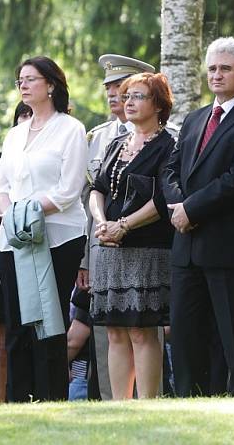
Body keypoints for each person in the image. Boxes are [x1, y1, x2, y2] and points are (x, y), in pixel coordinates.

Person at [164, 37, 234, 397]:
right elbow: (170, 168)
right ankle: (188, 407)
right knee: (185, 339)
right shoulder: (196, 118)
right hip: (187, 248)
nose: (216, 75)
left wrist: (191, 210)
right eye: (212, 68)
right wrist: (178, 206)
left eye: (225, 68)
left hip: (229, 248)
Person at [0, 56, 87, 402]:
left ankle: (51, 398)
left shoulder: (70, 129)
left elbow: (69, 189)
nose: (24, 85)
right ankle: (20, 401)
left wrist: (29, 210)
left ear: (51, 85)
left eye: (31, 79)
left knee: (49, 320)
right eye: (20, 81)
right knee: (16, 323)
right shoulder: (15, 134)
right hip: (15, 238)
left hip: (57, 237)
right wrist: (12, 212)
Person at [88, 72, 175, 399]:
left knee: (140, 330)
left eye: (137, 96)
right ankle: (119, 407)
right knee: (114, 332)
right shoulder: (115, 143)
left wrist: (124, 225)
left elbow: (162, 199)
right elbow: (96, 189)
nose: (128, 103)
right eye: (126, 97)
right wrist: (102, 222)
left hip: (145, 248)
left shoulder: (168, 145)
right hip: (109, 247)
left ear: (158, 104)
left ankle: (147, 404)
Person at [0, 101, 32, 403]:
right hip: (3, 254)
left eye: (30, 115)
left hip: (36, 255)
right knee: (1, 344)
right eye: (21, 116)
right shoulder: (2, 158)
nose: (25, 120)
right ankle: (0, 405)